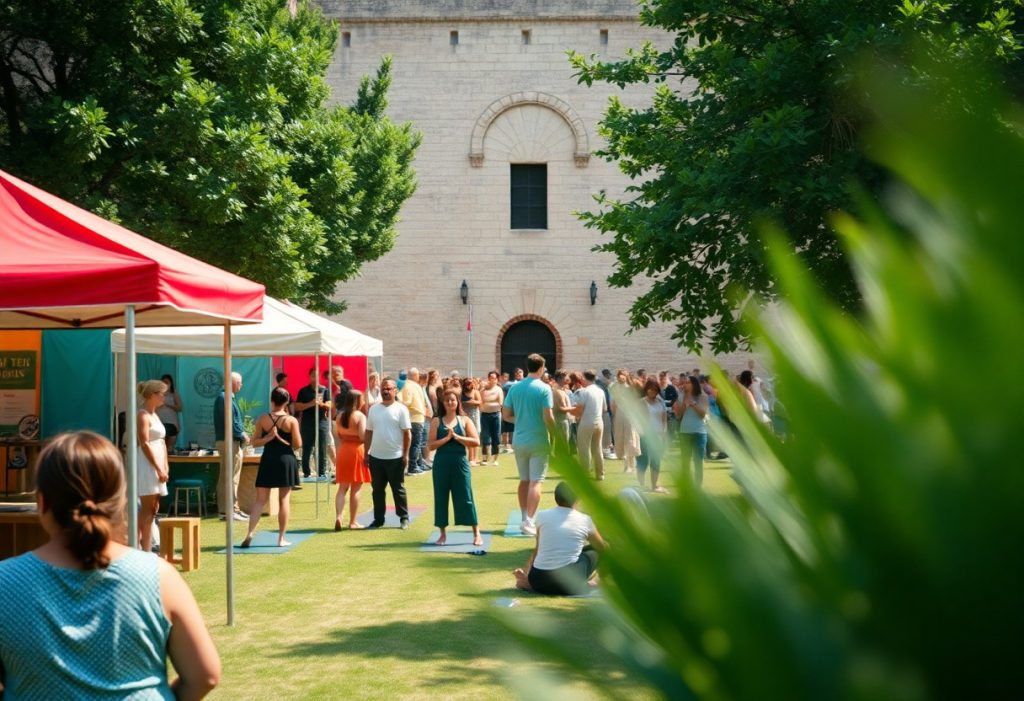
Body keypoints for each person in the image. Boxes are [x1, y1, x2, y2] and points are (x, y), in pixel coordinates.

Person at [0, 431, 220, 698]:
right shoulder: (158, 576)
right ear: (122, 501)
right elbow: (205, 675)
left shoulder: (6, 582)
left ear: (42, 502)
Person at [512, 481, 608, 596]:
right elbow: (602, 547)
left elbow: (538, 550)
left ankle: (527, 582)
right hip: (567, 583)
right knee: (601, 549)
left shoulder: (542, 516)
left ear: (556, 498)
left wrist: (527, 571)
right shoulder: (585, 520)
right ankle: (598, 582)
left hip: (538, 580)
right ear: (577, 499)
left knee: (581, 552)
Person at [502, 353, 555, 536]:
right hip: (538, 439)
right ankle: (529, 521)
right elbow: (548, 417)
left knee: (524, 480)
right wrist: (556, 436)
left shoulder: (515, 388)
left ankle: (525, 517)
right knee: (536, 481)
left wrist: (521, 420)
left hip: (519, 440)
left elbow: (506, 415)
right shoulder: (545, 388)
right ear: (541, 368)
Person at [241, 388, 301, 548]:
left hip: (268, 459)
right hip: (285, 460)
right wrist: (278, 438)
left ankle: (250, 533)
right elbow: (297, 444)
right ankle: (281, 539)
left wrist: (268, 438)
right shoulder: (291, 421)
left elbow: (254, 442)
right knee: (284, 500)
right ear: (286, 402)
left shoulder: (263, 419)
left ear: (272, 400)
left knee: (260, 500)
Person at [426, 389, 482, 546]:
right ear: (443, 403)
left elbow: (476, 441)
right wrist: (447, 438)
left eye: (453, 400)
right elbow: (430, 445)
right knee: (441, 498)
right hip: (441, 464)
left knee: (466, 496)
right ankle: (442, 535)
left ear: (458, 402)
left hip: (460, 463)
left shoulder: (465, 420)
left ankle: (476, 533)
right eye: (447, 400)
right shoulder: (437, 421)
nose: (450, 403)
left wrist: (457, 437)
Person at [364, 377, 412, 529]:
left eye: (389, 388)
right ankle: (378, 519)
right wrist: (366, 453)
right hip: (376, 457)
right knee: (377, 491)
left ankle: (404, 518)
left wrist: (405, 454)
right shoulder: (373, 409)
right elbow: (368, 432)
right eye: (383, 388)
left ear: (395, 390)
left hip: (395, 457)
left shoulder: (401, 409)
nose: (385, 391)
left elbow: (407, 434)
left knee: (398, 490)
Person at [137, 379, 169, 551]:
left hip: (158, 462)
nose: (164, 397)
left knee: (154, 508)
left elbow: (162, 443)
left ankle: (147, 547)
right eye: (162, 393)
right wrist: (158, 467)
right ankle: (143, 548)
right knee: (148, 508)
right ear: (152, 395)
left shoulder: (155, 415)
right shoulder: (142, 414)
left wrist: (165, 466)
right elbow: (144, 443)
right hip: (147, 464)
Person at [334, 389, 372, 531]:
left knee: (342, 487)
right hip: (357, 451)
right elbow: (362, 436)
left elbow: (338, 434)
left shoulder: (339, 416)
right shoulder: (360, 416)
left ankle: (339, 516)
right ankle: (353, 521)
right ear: (357, 401)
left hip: (343, 450)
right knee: (356, 488)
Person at [213, 372, 248, 521]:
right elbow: (230, 421)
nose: (241, 385)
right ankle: (229, 510)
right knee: (230, 477)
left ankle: (229, 510)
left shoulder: (225, 397)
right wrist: (241, 434)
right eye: (239, 382)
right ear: (233, 383)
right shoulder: (224, 398)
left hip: (229, 440)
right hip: (229, 441)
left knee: (227, 476)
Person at [295, 368, 331, 480]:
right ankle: (306, 473)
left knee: (322, 448)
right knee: (307, 448)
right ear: (309, 377)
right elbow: (297, 407)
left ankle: (321, 473)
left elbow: (330, 405)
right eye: (313, 376)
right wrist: (310, 404)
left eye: (317, 376)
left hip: (322, 423)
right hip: (307, 423)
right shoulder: (303, 391)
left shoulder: (325, 390)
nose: (315, 378)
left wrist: (322, 404)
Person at [572, 370, 608, 480]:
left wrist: (569, 411)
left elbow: (579, 410)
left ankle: (585, 473)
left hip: (586, 422)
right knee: (597, 447)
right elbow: (604, 409)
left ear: (584, 378)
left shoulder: (584, 392)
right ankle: (600, 474)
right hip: (599, 422)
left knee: (584, 448)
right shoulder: (600, 391)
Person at [676, 375, 710, 487]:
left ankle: (698, 486)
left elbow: (703, 414)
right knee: (685, 461)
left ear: (694, 384)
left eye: (687, 382)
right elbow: (678, 415)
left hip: (699, 432)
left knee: (698, 461)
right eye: (684, 382)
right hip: (685, 432)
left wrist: (693, 404)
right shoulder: (681, 396)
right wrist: (684, 404)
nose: (685, 384)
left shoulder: (703, 397)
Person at [638, 378, 668, 492]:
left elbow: (664, 419)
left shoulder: (661, 402)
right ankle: (641, 485)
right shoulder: (641, 402)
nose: (652, 392)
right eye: (650, 389)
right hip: (645, 435)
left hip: (658, 435)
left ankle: (654, 485)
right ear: (646, 389)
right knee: (643, 460)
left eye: (655, 390)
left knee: (656, 460)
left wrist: (664, 432)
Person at [398, 367, 429, 475]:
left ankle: (418, 464)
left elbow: (400, 399)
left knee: (416, 444)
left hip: (413, 417)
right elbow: (407, 401)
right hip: (415, 417)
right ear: (415, 375)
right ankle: (413, 467)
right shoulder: (412, 386)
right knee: (415, 444)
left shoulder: (407, 385)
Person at [479, 370, 504, 465]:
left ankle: (495, 459)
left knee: (495, 436)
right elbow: (480, 401)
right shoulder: (483, 390)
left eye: (494, 378)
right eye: (490, 377)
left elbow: (500, 403)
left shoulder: (498, 389)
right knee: (485, 436)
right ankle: (485, 458)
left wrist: (487, 403)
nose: (491, 379)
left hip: (495, 415)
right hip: (484, 414)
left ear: (497, 379)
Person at [156, 374, 182, 453]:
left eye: (167, 382)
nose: (165, 384)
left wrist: (168, 404)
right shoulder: (157, 394)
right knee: (161, 447)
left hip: (171, 423)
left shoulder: (174, 393)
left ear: (171, 384)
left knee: (169, 448)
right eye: (163, 382)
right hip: (159, 422)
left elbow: (179, 408)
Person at [460, 376, 482, 465]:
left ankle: (474, 458)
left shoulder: (476, 392)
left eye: (469, 383)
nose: (468, 385)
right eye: (466, 384)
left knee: (475, 435)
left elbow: (479, 402)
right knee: (467, 436)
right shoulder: (461, 393)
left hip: (474, 415)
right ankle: (470, 458)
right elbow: (459, 403)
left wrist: (468, 402)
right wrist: (470, 402)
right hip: (465, 416)